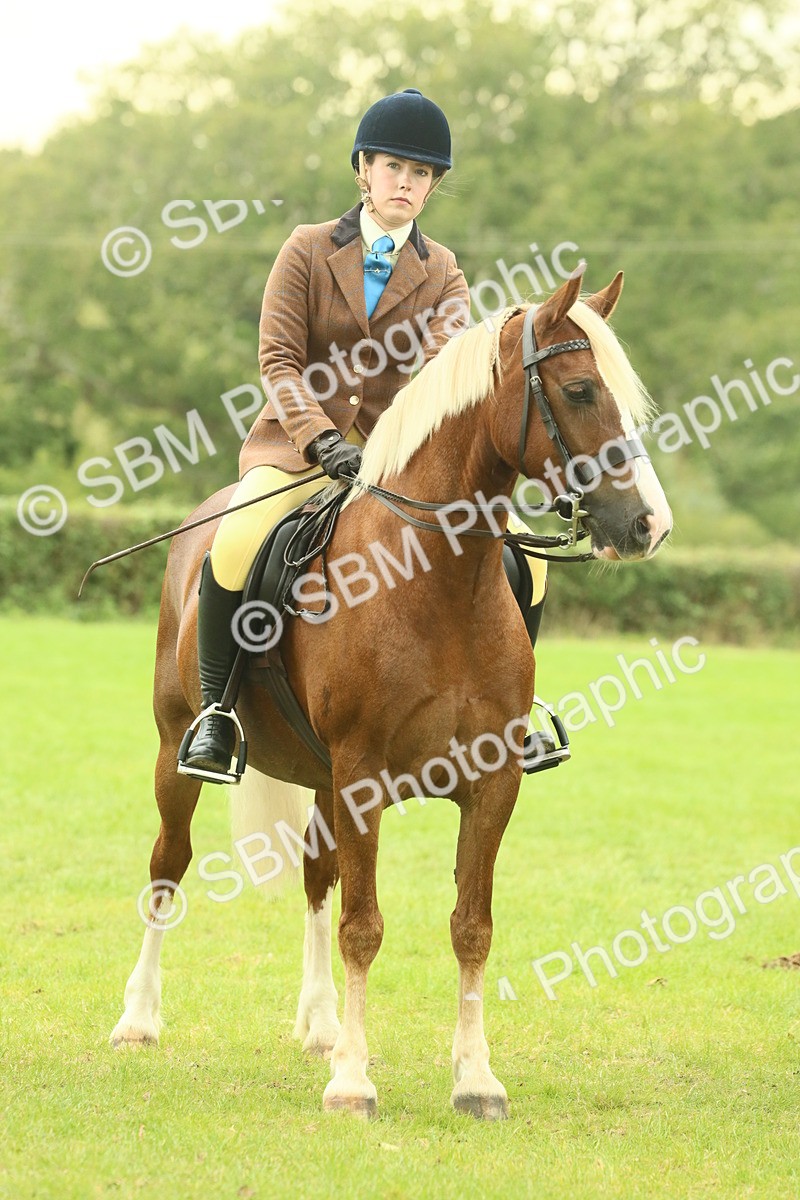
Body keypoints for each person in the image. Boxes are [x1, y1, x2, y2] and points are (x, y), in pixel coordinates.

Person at [180, 88, 557, 783]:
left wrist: (395, 448)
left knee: (526, 559)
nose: (407, 183)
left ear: (432, 186)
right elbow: (279, 362)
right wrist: (323, 440)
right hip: (298, 450)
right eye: (394, 168)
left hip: (394, 464)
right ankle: (217, 713)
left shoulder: (443, 272)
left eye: (421, 175)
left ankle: (514, 718)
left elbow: (446, 371)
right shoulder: (307, 249)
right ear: (364, 170)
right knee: (234, 545)